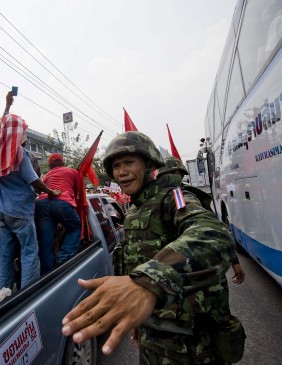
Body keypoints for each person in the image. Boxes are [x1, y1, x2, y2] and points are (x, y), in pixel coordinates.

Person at [62, 132, 243, 364]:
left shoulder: (174, 197)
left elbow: (213, 235)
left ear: (148, 165)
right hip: (152, 335)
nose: (122, 171)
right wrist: (137, 320)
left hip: (189, 344)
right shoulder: (136, 208)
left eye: (129, 163)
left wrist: (150, 281)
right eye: (116, 165)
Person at [0, 91, 61, 290]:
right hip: (19, 210)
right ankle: (27, 295)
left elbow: (2, 126)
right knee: (29, 252)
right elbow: (33, 179)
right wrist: (51, 192)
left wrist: (7, 105)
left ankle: (4, 295)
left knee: (6, 256)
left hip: (1, 210)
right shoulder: (18, 152)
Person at [158, 156, 246, 285]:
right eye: (169, 174)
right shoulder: (150, 199)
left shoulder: (178, 195)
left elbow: (207, 228)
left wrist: (235, 261)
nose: (172, 178)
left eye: (175, 174)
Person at [35, 153, 81, 274]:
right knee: (75, 228)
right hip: (63, 202)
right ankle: (63, 256)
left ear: (49, 165)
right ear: (63, 162)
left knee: (45, 241)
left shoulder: (47, 175)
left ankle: (46, 275)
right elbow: (77, 192)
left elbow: (42, 188)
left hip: (42, 204)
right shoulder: (72, 171)